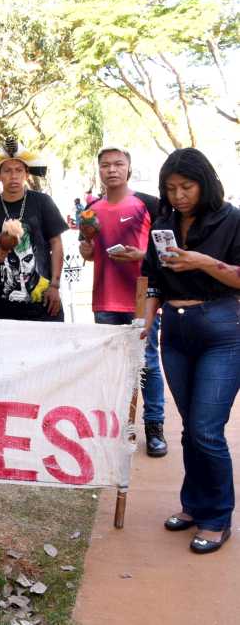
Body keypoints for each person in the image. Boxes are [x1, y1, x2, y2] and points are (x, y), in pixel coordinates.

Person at [144, 148, 240, 554]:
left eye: (186, 186)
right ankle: (194, 504)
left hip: (222, 328)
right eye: (171, 188)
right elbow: (153, 280)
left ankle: (218, 517)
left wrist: (202, 261)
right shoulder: (164, 223)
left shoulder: (232, 219)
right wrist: (142, 326)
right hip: (176, 331)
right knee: (190, 428)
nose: (179, 195)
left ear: (205, 183)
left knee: (205, 429)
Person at [79, 146, 166, 457]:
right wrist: (87, 247)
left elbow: (164, 251)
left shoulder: (148, 205)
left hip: (142, 296)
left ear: (129, 168)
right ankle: (116, 428)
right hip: (104, 298)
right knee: (113, 367)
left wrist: (141, 256)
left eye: (118, 164)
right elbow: (86, 251)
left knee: (148, 364)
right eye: (105, 165)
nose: (112, 170)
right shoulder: (91, 210)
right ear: (99, 170)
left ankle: (154, 427)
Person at [0, 138, 67, 321]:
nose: (14, 176)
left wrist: (55, 286)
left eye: (19, 170)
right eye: (7, 171)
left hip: (44, 303)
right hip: (3, 307)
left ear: (27, 174)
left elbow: (56, 244)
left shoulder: (42, 202)